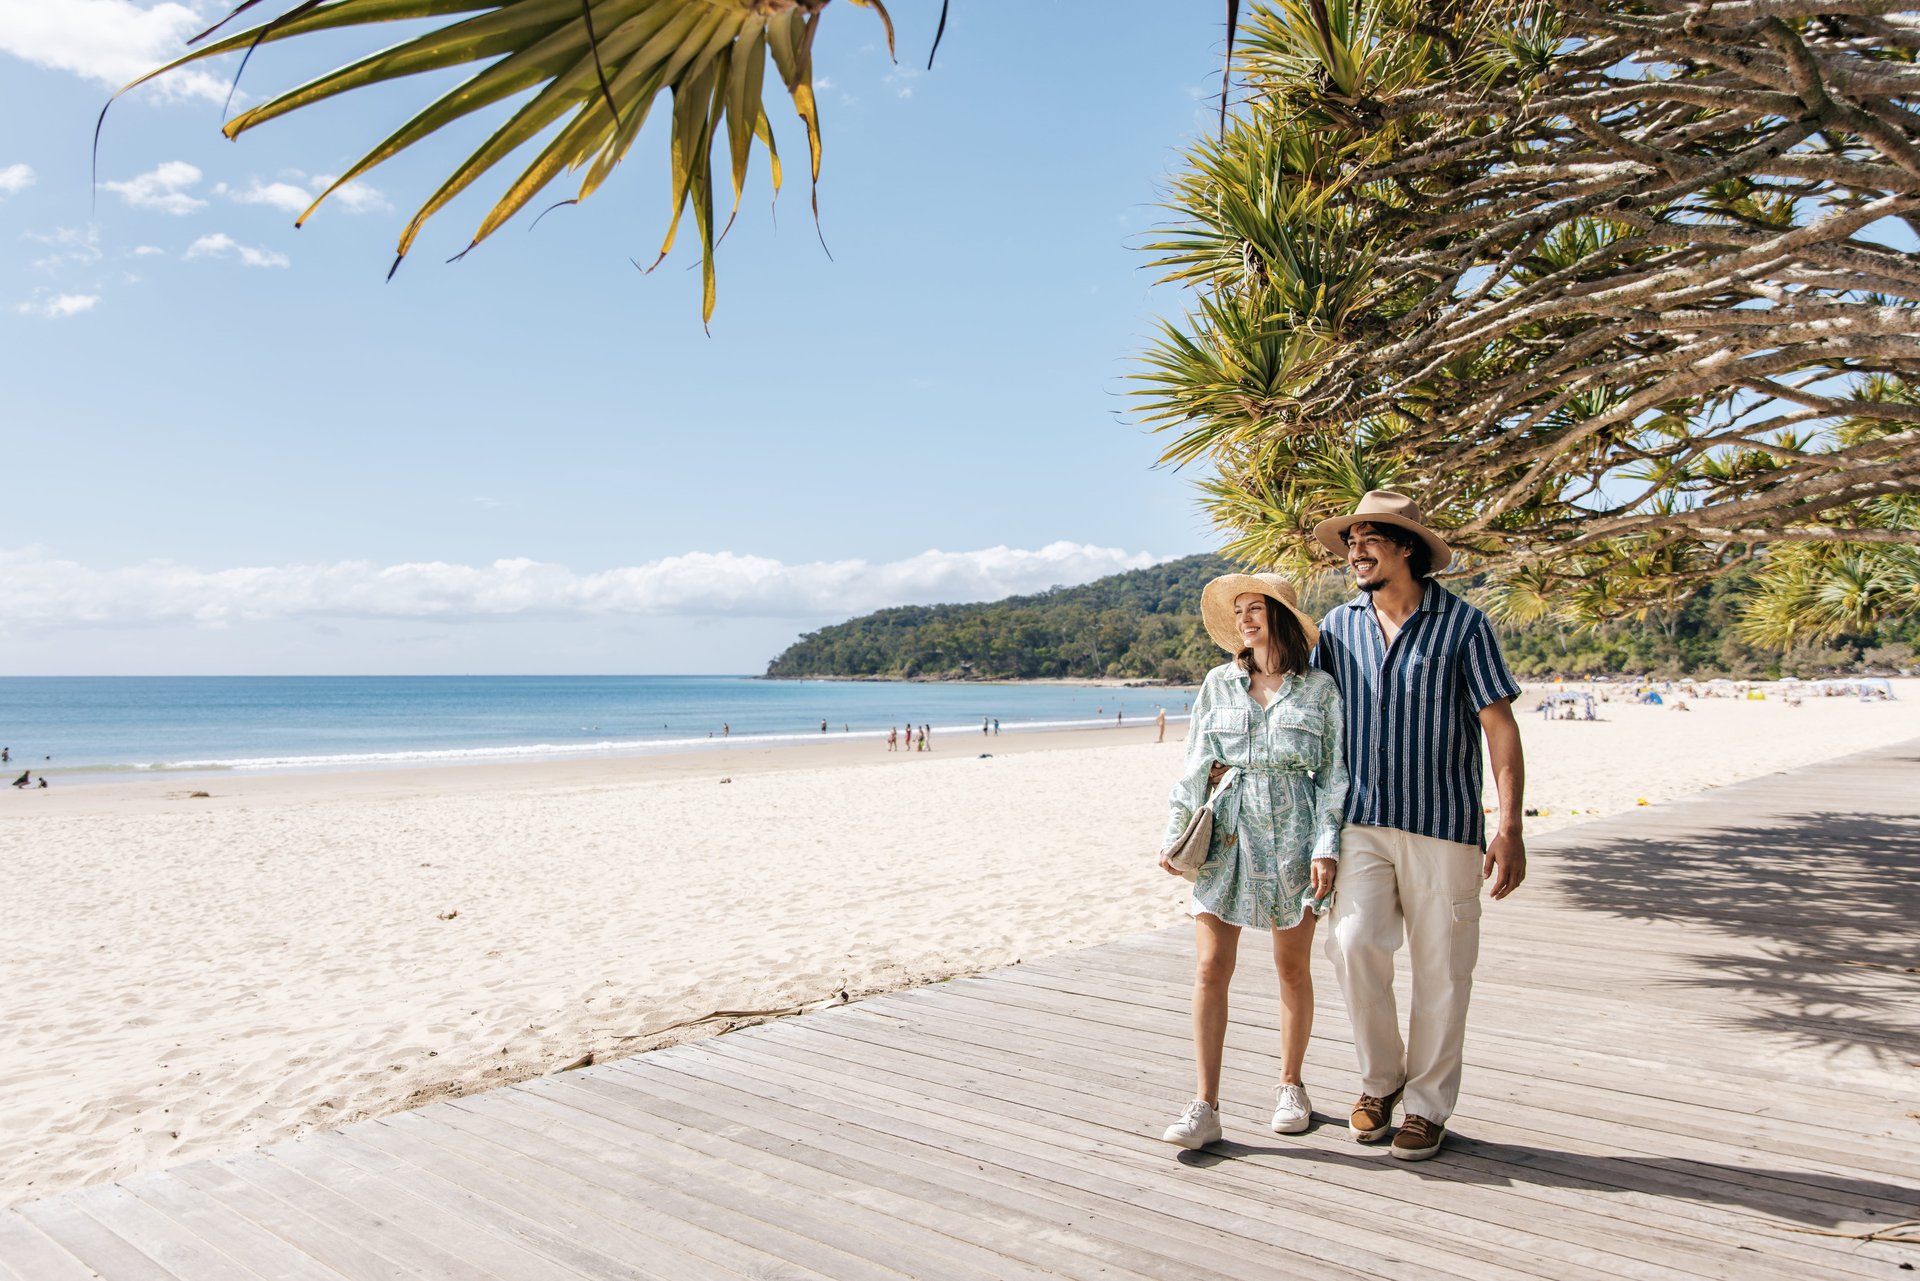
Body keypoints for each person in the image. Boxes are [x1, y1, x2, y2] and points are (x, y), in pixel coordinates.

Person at [1311, 490, 1526, 1163]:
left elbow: (1500, 726)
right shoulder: (1336, 629)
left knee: (1443, 969)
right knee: (1349, 943)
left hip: (1445, 826)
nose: (1355, 550)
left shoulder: (1464, 626)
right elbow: (1314, 726)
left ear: (1407, 547)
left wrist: (1511, 825)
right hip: (1361, 823)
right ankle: (1381, 1080)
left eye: (1369, 537)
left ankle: (1429, 1103)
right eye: (1350, 540)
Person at [1157, 573, 1346, 1150]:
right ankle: (1205, 1104)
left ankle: (1292, 1086)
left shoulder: (1321, 691)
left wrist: (1326, 845)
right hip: (1227, 838)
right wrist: (1173, 836)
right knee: (1211, 969)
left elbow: (1336, 776)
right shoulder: (1218, 684)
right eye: (1239, 610)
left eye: (1256, 608)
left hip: (1294, 837)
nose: (1245, 619)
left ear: (1281, 616)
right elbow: (1195, 764)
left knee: (1292, 969)